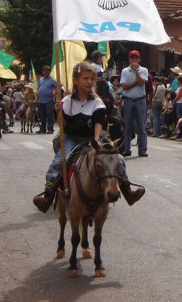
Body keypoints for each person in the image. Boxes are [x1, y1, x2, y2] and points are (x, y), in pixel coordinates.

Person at [33, 61, 145, 213]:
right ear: (75, 80)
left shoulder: (97, 103)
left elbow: (99, 124)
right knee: (60, 160)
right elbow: (63, 126)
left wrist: (96, 142)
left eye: (92, 79)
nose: (89, 81)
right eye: (85, 78)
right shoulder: (66, 101)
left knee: (117, 158)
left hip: (92, 138)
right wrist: (58, 111)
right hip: (71, 138)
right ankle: (48, 195)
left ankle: (128, 191)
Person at [120, 50, 149, 157]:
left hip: (140, 100)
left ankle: (142, 150)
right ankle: (127, 149)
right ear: (129, 59)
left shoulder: (144, 70)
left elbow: (142, 82)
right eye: (132, 58)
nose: (134, 60)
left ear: (139, 59)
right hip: (128, 100)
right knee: (127, 127)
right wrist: (137, 82)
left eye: (135, 58)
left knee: (141, 126)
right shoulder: (125, 71)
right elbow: (124, 86)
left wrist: (137, 72)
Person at [36, 65, 57, 134]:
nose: (45, 72)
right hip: (41, 100)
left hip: (49, 101)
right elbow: (38, 89)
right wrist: (37, 99)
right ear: (42, 71)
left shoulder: (52, 79)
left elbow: (58, 86)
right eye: (44, 70)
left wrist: (54, 93)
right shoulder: (41, 79)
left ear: (49, 71)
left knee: (50, 115)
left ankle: (50, 129)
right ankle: (42, 129)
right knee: (42, 116)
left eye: (47, 70)